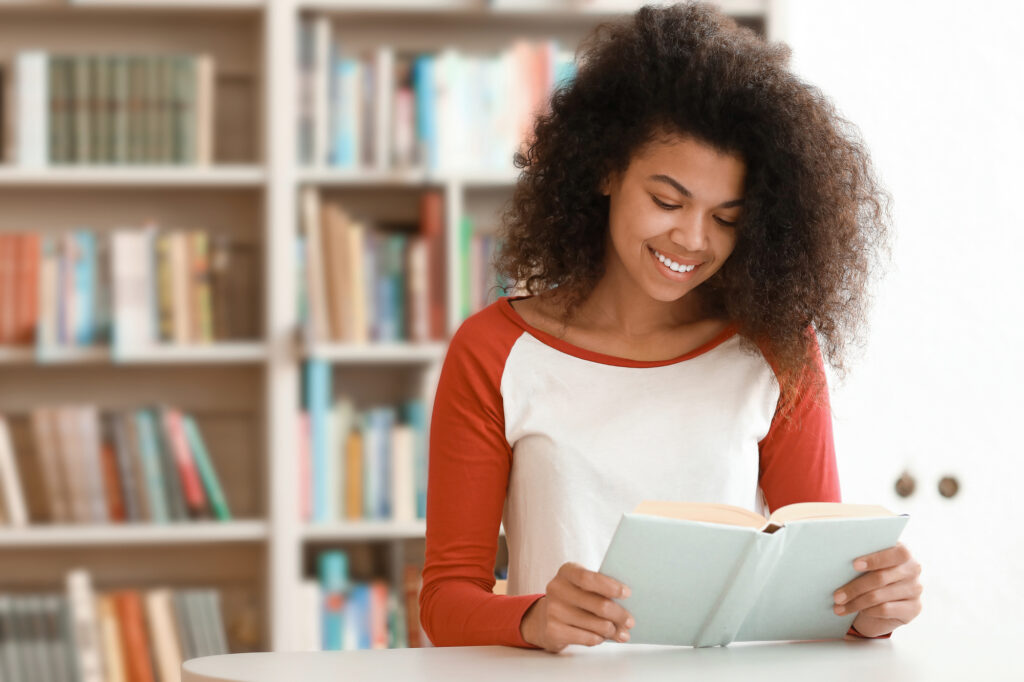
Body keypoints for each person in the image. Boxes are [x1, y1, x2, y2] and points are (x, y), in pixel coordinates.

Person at [418, 1, 923, 653]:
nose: (692, 238)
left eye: (726, 217)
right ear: (605, 170)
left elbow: (821, 588)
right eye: (667, 200)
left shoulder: (775, 350)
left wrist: (872, 607)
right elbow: (444, 598)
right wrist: (532, 617)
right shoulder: (494, 351)